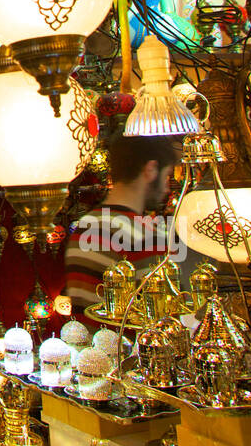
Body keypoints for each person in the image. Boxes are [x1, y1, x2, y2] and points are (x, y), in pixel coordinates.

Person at [63, 134, 181, 318]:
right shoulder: (147, 236)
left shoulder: (84, 226)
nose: (167, 189)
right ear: (150, 170)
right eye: (166, 176)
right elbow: (163, 319)